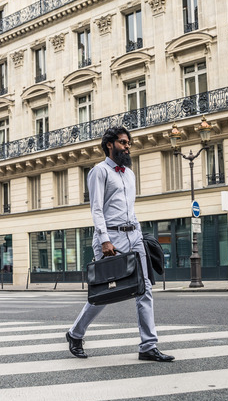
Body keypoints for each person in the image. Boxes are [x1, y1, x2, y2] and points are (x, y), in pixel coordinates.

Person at [65, 126, 174, 362]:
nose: (127, 146)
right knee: (105, 293)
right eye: (123, 142)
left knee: (144, 289)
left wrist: (140, 235)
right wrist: (104, 239)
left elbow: (130, 208)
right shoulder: (99, 171)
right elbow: (96, 209)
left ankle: (148, 345)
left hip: (133, 236)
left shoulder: (129, 174)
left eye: (128, 143)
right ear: (109, 145)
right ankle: (75, 333)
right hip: (110, 238)